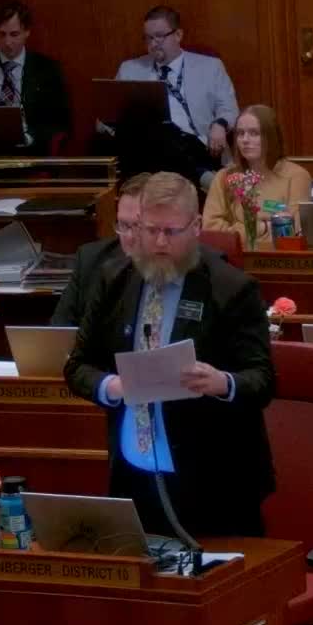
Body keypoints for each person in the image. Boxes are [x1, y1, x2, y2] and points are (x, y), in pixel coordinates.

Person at [64, 172, 275, 537]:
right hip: (134, 472)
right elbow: (77, 366)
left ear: (196, 227)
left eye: (172, 232)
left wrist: (221, 382)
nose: (160, 242)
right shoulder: (114, 280)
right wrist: (112, 386)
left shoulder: (230, 289)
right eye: (150, 230)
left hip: (213, 482)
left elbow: (263, 379)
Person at [52, 172, 232, 327]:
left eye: (139, 226)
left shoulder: (209, 270)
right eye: (124, 225)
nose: (130, 236)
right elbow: (58, 331)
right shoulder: (91, 261)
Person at [106, 5, 239, 191]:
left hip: (199, 145)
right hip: (146, 149)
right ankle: (203, 176)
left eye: (160, 36)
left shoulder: (210, 67)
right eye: (148, 38)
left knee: (168, 135)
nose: (153, 43)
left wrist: (220, 124)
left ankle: (198, 172)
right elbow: (109, 117)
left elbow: (229, 108)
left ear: (178, 35)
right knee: (160, 129)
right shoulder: (130, 70)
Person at [0, 0, 72, 156]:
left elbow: (61, 122)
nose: (7, 42)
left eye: (14, 34)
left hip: (30, 152)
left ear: (27, 32)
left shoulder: (47, 70)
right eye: (1, 34)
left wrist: (30, 138)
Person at [202, 105, 311, 250]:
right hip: (233, 258)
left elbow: (292, 231)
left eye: (254, 133)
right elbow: (211, 231)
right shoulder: (224, 177)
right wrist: (262, 228)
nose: (245, 140)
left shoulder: (296, 176)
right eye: (240, 133)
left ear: (270, 137)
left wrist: (236, 229)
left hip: (279, 258)